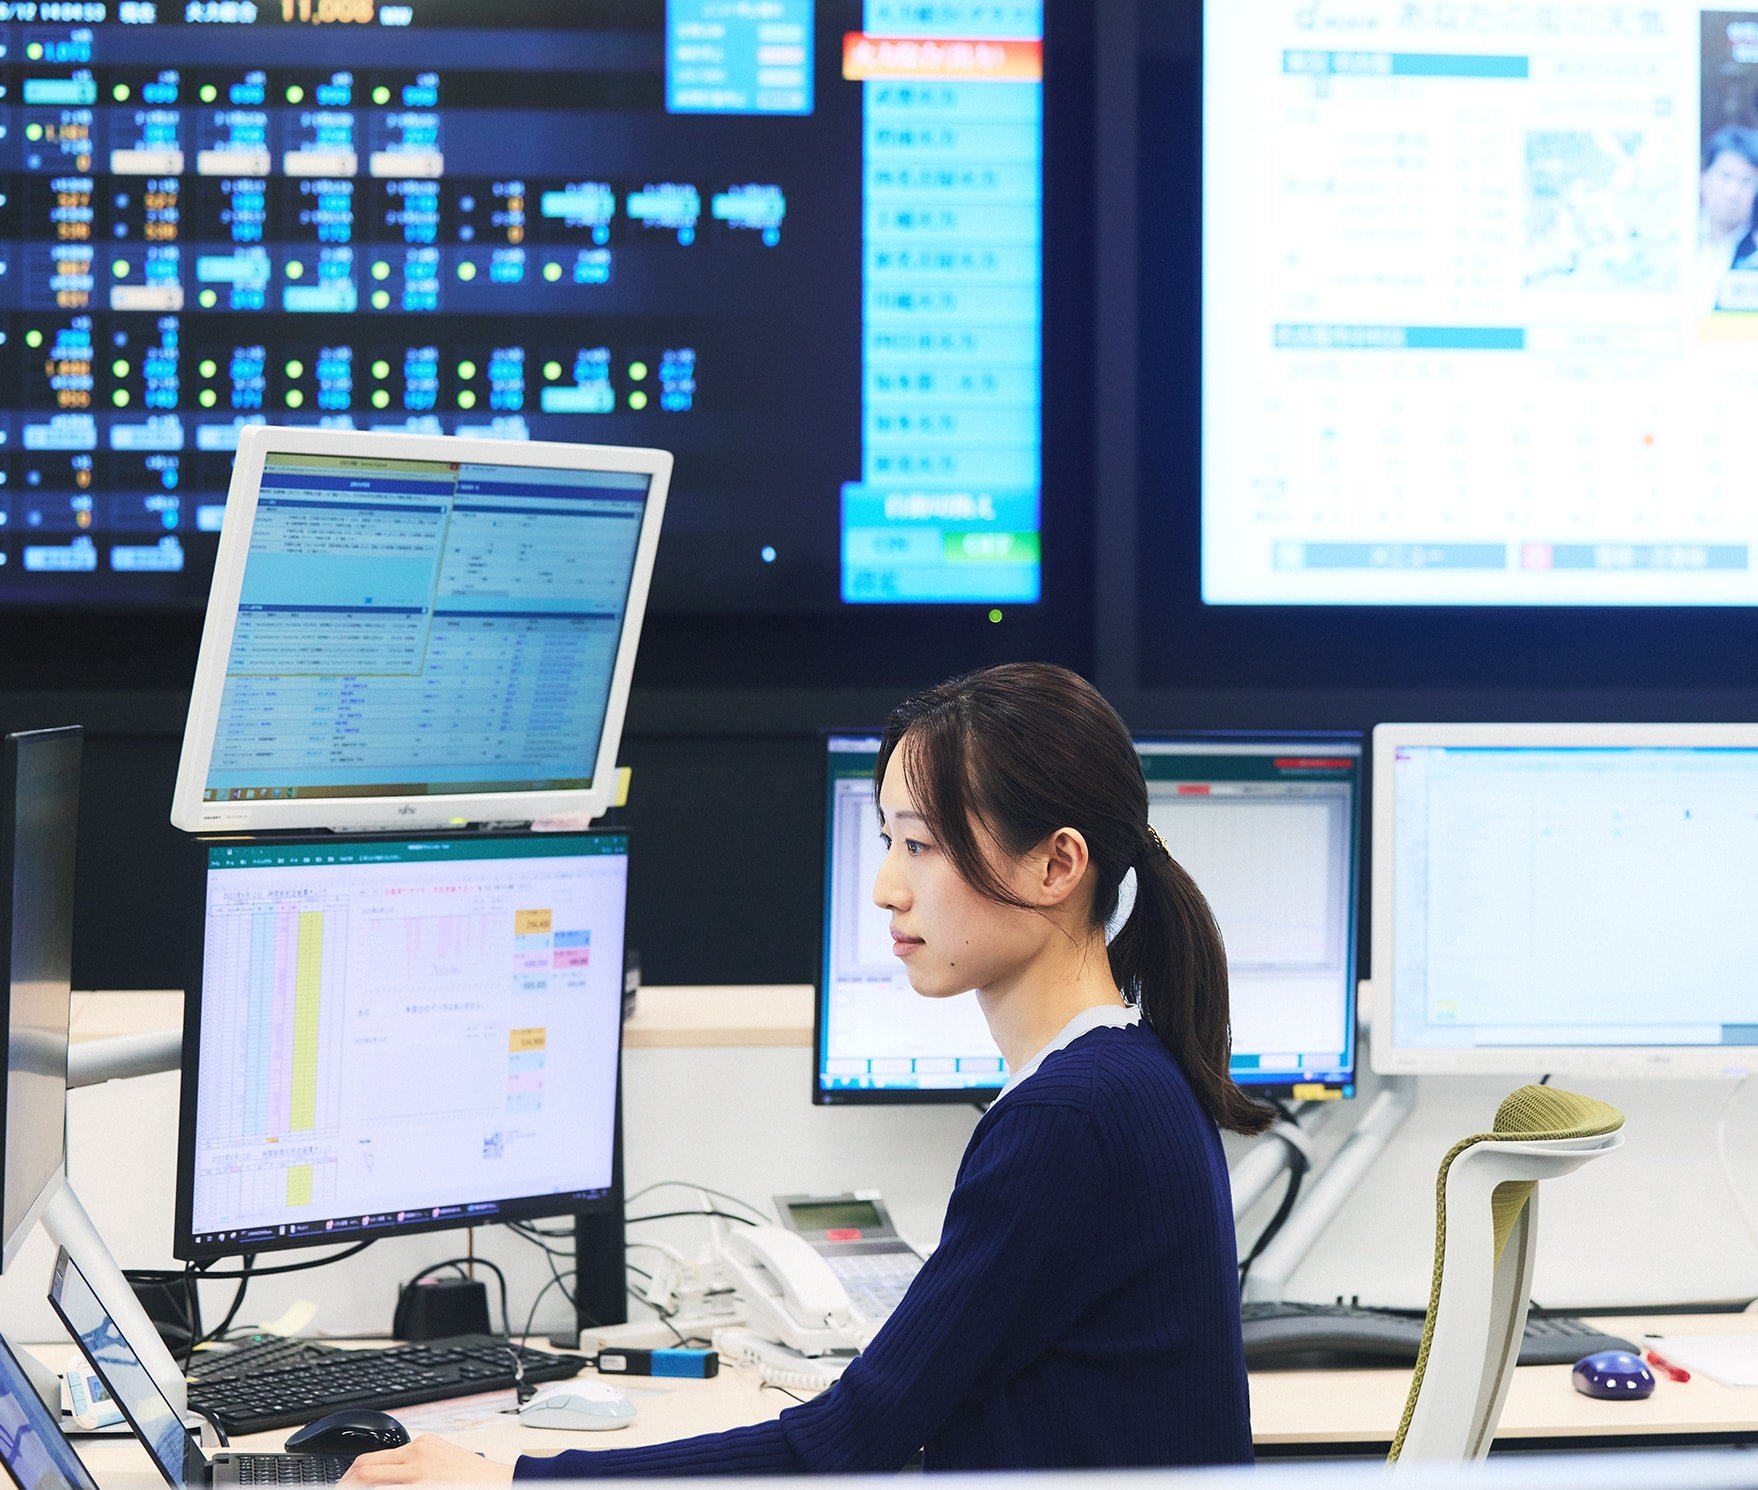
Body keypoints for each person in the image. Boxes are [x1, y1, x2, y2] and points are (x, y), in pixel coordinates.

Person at [344, 663, 1271, 1483]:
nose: (887, 887)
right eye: (888, 841)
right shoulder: (1130, 1076)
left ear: (1057, 863)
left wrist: (513, 1479)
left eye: (922, 844)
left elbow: (843, 1446)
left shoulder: (1069, 1117)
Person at [1698, 124, 1758, 311]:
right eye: (1726, 177)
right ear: (1703, 178)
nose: (1733, 192)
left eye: (1746, 181)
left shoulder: (1754, 252)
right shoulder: (1673, 239)